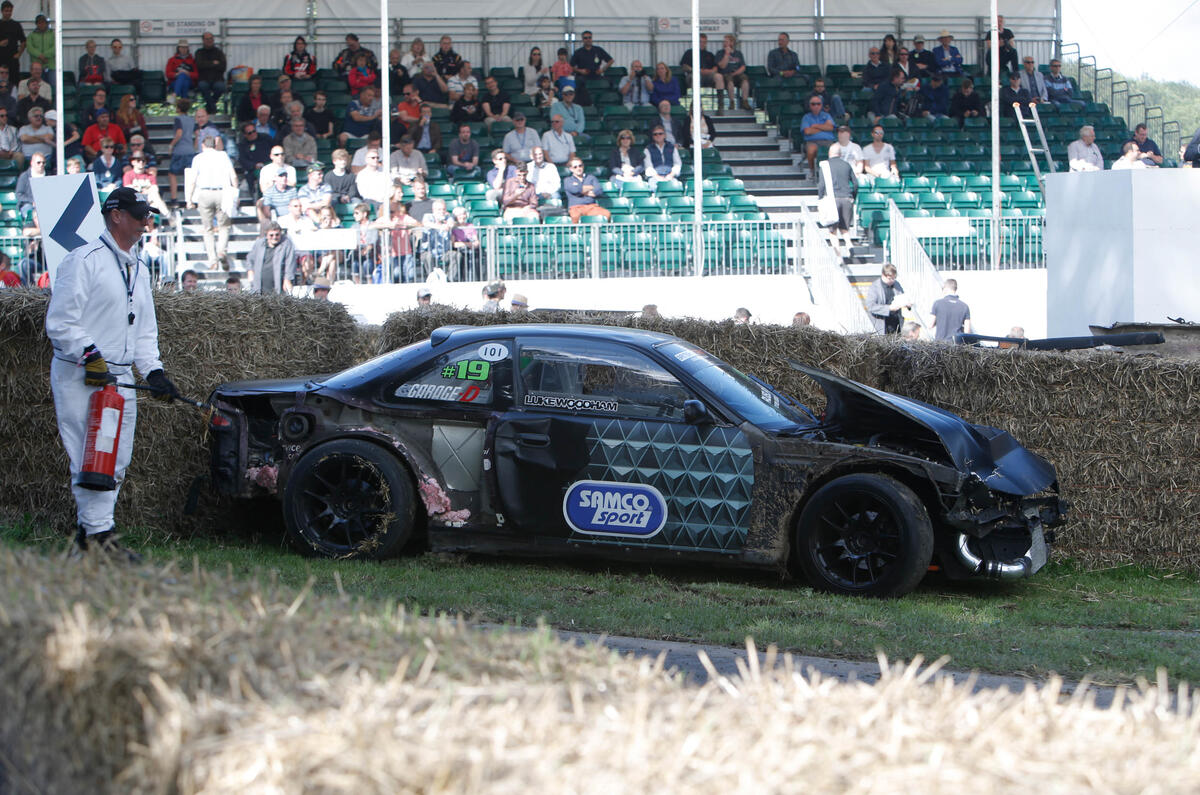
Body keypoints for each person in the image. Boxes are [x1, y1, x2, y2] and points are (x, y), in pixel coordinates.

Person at [45, 187, 176, 561]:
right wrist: (91, 356)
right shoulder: (82, 260)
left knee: (116, 459)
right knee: (90, 458)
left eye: (147, 215)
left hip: (118, 377)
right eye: (138, 216)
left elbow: (145, 329)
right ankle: (101, 538)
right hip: (80, 375)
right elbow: (61, 322)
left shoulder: (139, 266)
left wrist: (154, 372)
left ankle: (88, 540)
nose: (144, 222)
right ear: (115, 216)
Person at [188, 135, 237, 269]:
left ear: (202, 146)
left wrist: (189, 199)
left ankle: (212, 259)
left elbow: (192, 180)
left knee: (208, 228)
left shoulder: (198, 158)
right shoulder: (223, 155)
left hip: (204, 193)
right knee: (224, 226)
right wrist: (235, 193)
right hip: (222, 192)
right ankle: (221, 250)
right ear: (215, 145)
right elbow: (233, 175)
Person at [818, 144, 858, 256]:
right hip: (847, 198)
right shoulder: (846, 165)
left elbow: (821, 185)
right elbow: (855, 184)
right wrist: (853, 197)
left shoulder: (825, 166)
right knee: (844, 227)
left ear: (829, 153)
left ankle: (839, 256)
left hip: (832, 200)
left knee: (832, 231)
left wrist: (820, 199)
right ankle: (849, 244)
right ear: (840, 154)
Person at [246, 222, 297, 293]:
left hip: (278, 284)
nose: (274, 237)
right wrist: (250, 271)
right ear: (266, 235)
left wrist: (287, 279)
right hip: (260, 285)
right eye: (271, 235)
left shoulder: (287, 244)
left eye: (277, 235)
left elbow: (290, 263)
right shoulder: (259, 244)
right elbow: (250, 258)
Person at [569, 31, 613, 106]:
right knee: (578, 83)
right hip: (583, 76)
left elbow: (611, 60)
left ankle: (606, 104)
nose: (588, 39)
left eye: (589, 37)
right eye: (586, 38)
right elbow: (570, 66)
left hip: (596, 75)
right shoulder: (578, 52)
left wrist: (603, 69)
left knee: (610, 82)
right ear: (582, 39)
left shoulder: (598, 50)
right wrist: (580, 71)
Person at [865, 264, 912, 334]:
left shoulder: (896, 284)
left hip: (896, 324)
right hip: (882, 325)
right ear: (883, 275)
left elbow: (902, 297)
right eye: (890, 278)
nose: (892, 281)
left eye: (894, 278)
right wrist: (889, 308)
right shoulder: (874, 287)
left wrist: (907, 304)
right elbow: (870, 306)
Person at [680, 34, 725, 105]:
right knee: (696, 77)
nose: (702, 44)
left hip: (708, 76)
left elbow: (716, 67)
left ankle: (721, 104)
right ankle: (697, 103)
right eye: (700, 41)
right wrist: (696, 71)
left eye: (704, 42)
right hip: (693, 75)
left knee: (719, 77)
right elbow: (684, 66)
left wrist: (710, 71)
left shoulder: (709, 54)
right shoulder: (689, 53)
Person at [165, 99, 196, 204]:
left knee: (172, 173)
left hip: (180, 150)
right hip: (190, 150)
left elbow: (179, 133)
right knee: (189, 175)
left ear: (178, 108)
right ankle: (189, 199)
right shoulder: (192, 120)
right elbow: (197, 133)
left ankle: (174, 198)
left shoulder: (178, 119)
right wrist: (194, 146)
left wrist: (171, 145)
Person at [563, 157, 610, 222]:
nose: (578, 168)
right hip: (576, 207)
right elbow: (575, 190)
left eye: (580, 166)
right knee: (575, 216)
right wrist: (590, 188)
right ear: (571, 169)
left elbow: (598, 191)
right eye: (575, 167)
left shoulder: (591, 178)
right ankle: (576, 232)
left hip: (591, 207)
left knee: (606, 214)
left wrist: (581, 191)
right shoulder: (568, 180)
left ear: (583, 166)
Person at [800, 95, 835, 177]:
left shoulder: (827, 115)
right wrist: (823, 127)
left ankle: (834, 173)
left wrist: (815, 126)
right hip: (812, 142)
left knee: (836, 150)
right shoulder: (806, 117)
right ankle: (812, 172)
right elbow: (807, 131)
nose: (816, 106)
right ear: (810, 106)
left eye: (818, 104)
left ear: (821, 105)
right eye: (813, 104)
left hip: (828, 142)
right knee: (811, 150)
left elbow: (830, 127)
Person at [194, 32, 226, 113]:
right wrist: (213, 63)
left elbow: (223, 66)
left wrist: (207, 64)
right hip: (204, 79)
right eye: (207, 39)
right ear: (203, 40)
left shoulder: (219, 52)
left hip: (217, 79)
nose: (209, 41)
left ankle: (210, 106)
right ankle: (212, 107)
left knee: (221, 87)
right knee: (203, 86)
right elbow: (199, 65)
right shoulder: (199, 52)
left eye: (211, 38)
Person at [717, 34, 750, 111]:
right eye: (724, 42)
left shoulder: (738, 53)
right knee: (730, 81)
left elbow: (743, 67)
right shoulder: (720, 53)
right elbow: (722, 66)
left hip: (737, 73)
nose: (724, 44)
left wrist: (736, 73)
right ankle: (732, 102)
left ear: (732, 43)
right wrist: (727, 54)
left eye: (726, 42)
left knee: (745, 80)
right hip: (726, 74)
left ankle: (745, 101)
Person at [0, 2, 23, 81]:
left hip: (13, 59)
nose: (8, 13)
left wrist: (19, 53)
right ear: (1, 11)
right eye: (6, 11)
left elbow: (23, 41)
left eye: (10, 11)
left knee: (14, 80)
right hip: (1, 58)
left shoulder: (16, 25)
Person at [0, 105, 22, 170]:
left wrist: (10, 152)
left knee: (20, 156)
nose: (5, 117)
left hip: (10, 154)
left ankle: (18, 178)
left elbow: (17, 146)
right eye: (2, 116)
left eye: (6, 115)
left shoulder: (13, 130)